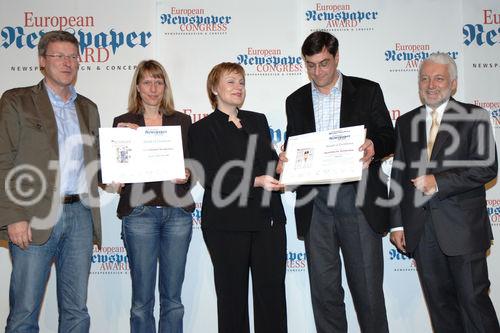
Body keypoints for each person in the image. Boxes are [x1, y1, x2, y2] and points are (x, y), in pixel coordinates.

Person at [278, 31, 394, 333]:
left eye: (324, 64)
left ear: (337, 57)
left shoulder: (367, 91)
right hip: (315, 205)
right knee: (325, 293)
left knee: (368, 292)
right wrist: (286, 159)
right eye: (311, 65)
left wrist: (374, 145)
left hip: (357, 199)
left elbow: (388, 135)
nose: (317, 72)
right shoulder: (295, 100)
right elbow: (294, 145)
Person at [390, 52, 500, 332]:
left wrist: (438, 182)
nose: (431, 85)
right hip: (421, 232)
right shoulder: (405, 122)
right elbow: (399, 176)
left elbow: (487, 167)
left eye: (439, 78)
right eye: (424, 78)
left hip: (463, 231)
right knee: (440, 310)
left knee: (474, 304)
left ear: (453, 84)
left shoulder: (474, 116)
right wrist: (398, 223)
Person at [0, 30, 102, 332]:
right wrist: (14, 216)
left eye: (73, 57)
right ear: (43, 61)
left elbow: (96, 162)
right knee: (24, 312)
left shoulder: (88, 107)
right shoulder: (17, 101)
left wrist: (127, 154)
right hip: (33, 215)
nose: (67, 63)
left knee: (77, 311)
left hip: (80, 214)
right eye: (59, 56)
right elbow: (3, 160)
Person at [188, 62, 287, 333]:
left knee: (272, 298)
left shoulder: (258, 120)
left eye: (242, 82)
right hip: (226, 224)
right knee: (232, 301)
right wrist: (255, 180)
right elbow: (210, 175)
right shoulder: (200, 129)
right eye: (230, 81)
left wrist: (281, 165)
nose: (238, 87)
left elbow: (268, 165)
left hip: (267, 220)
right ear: (214, 88)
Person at [109, 59, 194, 333]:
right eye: (147, 81)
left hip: (177, 214)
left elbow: (193, 164)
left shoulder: (182, 121)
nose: (153, 88)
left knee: (173, 300)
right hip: (139, 214)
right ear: (137, 86)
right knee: (142, 301)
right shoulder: (123, 123)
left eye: (159, 81)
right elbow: (110, 170)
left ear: (165, 86)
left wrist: (187, 174)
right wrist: (116, 169)